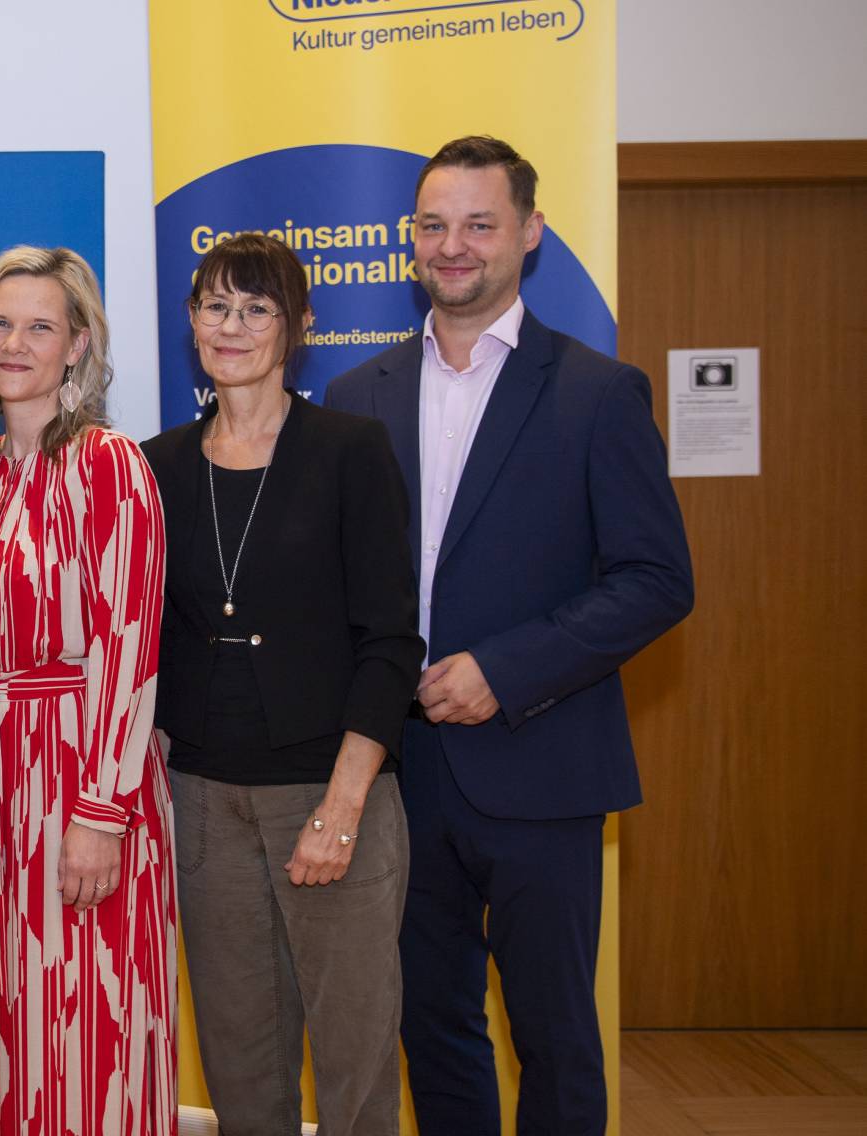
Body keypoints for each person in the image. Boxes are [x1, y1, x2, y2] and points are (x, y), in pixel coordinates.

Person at [326, 136, 694, 1136]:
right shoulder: (356, 397)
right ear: (409, 239)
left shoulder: (595, 392)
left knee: (555, 1035)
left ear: (528, 233)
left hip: (546, 766)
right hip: (401, 775)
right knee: (431, 1026)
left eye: (480, 223)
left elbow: (658, 579)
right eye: (435, 225)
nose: (455, 246)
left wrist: (506, 667)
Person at [142, 234, 423, 1135]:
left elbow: (390, 642)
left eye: (257, 308)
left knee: (354, 1064)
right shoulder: (156, 466)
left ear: (298, 326)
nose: (234, 327)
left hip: (329, 787)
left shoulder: (350, 448)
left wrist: (342, 809)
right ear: (191, 323)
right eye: (216, 307)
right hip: (203, 797)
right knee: (239, 1064)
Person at [0, 246, 176, 1136]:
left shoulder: (110, 465)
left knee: (82, 1021)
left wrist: (101, 812)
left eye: (39, 327)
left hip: (79, 777)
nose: (14, 343)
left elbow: (128, 648)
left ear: (77, 346)